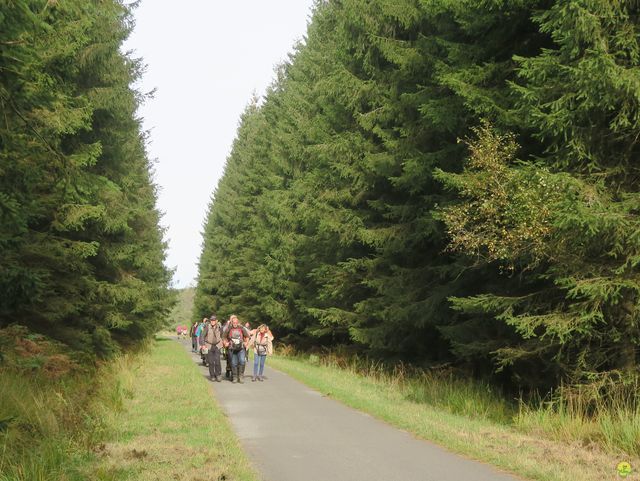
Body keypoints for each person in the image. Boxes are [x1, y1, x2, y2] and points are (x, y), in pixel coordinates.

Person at [222, 315, 250, 383]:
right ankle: (234, 377)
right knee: (233, 363)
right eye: (233, 322)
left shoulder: (242, 328)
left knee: (242, 361)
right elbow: (224, 337)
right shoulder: (228, 328)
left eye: (236, 322)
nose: (235, 323)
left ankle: (241, 376)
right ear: (231, 322)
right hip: (232, 348)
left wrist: (246, 342)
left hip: (241, 348)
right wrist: (226, 343)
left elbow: (247, 336)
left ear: (238, 322)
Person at [202, 315, 223, 382]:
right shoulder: (207, 327)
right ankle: (212, 375)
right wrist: (203, 345)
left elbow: (222, 335)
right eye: (211, 320)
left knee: (217, 361)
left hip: (217, 345)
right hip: (209, 345)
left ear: (216, 321)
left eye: (214, 320)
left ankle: (218, 375)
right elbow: (202, 336)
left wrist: (222, 343)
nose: (212, 321)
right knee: (211, 362)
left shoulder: (219, 327)